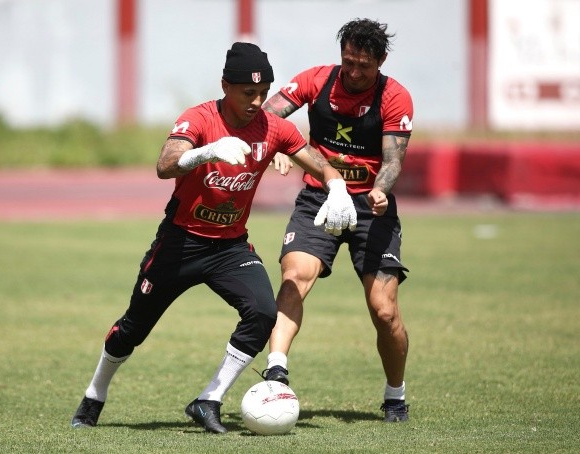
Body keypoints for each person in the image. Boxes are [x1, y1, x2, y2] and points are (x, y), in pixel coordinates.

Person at [70, 42, 357, 434]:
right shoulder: (199, 118)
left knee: (263, 313)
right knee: (132, 329)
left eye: (263, 92)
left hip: (230, 248)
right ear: (225, 86)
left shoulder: (275, 128)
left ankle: (208, 400)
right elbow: (165, 165)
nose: (257, 101)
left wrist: (337, 186)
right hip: (180, 243)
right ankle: (94, 395)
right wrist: (206, 153)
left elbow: (319, 163)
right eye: (247, 92)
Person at [262, 18, 414, 422]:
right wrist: (278, 145)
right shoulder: (315, 80)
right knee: (294, 277)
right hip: (320, 197)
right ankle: (276, 372)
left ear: (381, 61)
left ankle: (395, 394)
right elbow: (266, 115)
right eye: (348, 62)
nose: (354, 72)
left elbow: (393, 159)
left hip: (370, 206)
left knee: (384, 310)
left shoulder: (395, 97)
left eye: (364, 65)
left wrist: (381, 189)